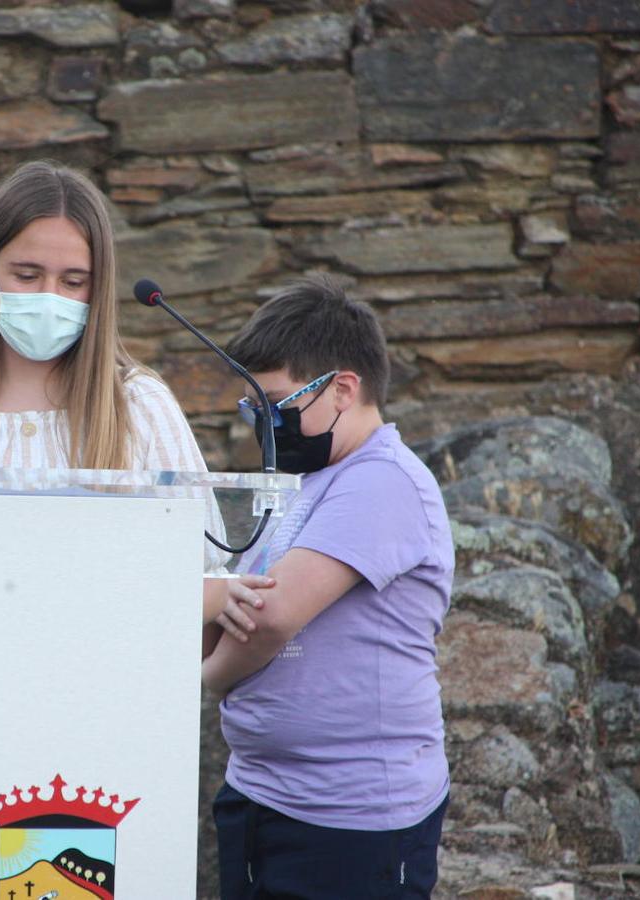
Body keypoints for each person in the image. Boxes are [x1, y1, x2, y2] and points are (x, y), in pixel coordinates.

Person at [0, 160, 227, 644]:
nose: (49, 297)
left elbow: (213, 577)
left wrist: (99, 621)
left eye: (73, 282)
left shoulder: (140, 404)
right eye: (27, 275)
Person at [200, 278, 453, 899]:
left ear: (344, 388)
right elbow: (230, 598)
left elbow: (267, 613)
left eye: (277, 403)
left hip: (351, 819)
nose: (263, 422)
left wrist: (201, 681)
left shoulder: (381, 481)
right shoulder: (313, 482)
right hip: (265, 796)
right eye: (252, 406)